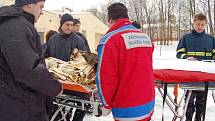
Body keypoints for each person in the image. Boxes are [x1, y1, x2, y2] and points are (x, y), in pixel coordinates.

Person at [0, 0, 63, 121]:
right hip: (19, 106)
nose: (42, 12)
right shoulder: (15, 26)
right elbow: (28, 70)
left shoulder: (16, 24)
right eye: (40, 7)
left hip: (16, 103)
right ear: (29, 4)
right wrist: (55, 87)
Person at [96, 3, 155, 121]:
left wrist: (105, 105)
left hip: (126, 108)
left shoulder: (110, 41)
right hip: (148, 103)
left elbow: (106, 78)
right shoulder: (145, 37)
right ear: (126, 17)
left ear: (110, 20)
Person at [46, 13, 87, 121]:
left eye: (71, 25)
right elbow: (47, 56)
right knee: (54, 110)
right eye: (67, 24)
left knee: (82, 106)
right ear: (61, 25)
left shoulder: (79, 40)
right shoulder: (53, 39)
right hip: (56, 80)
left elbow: (84, 62)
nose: (69, 27)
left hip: (74, 81)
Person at [176, 13, 215, 121]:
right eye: (197, 24)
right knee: (188, 102)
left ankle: (198, 119)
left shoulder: (211, 39)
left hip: (205, 77)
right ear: (193, 23)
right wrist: (187, 57)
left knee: (201, 103)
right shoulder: (186, 38)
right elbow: (179, 53)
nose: (200, 26)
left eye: (202, 24)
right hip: (189, 76)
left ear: (205, 24)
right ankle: (188, 119)